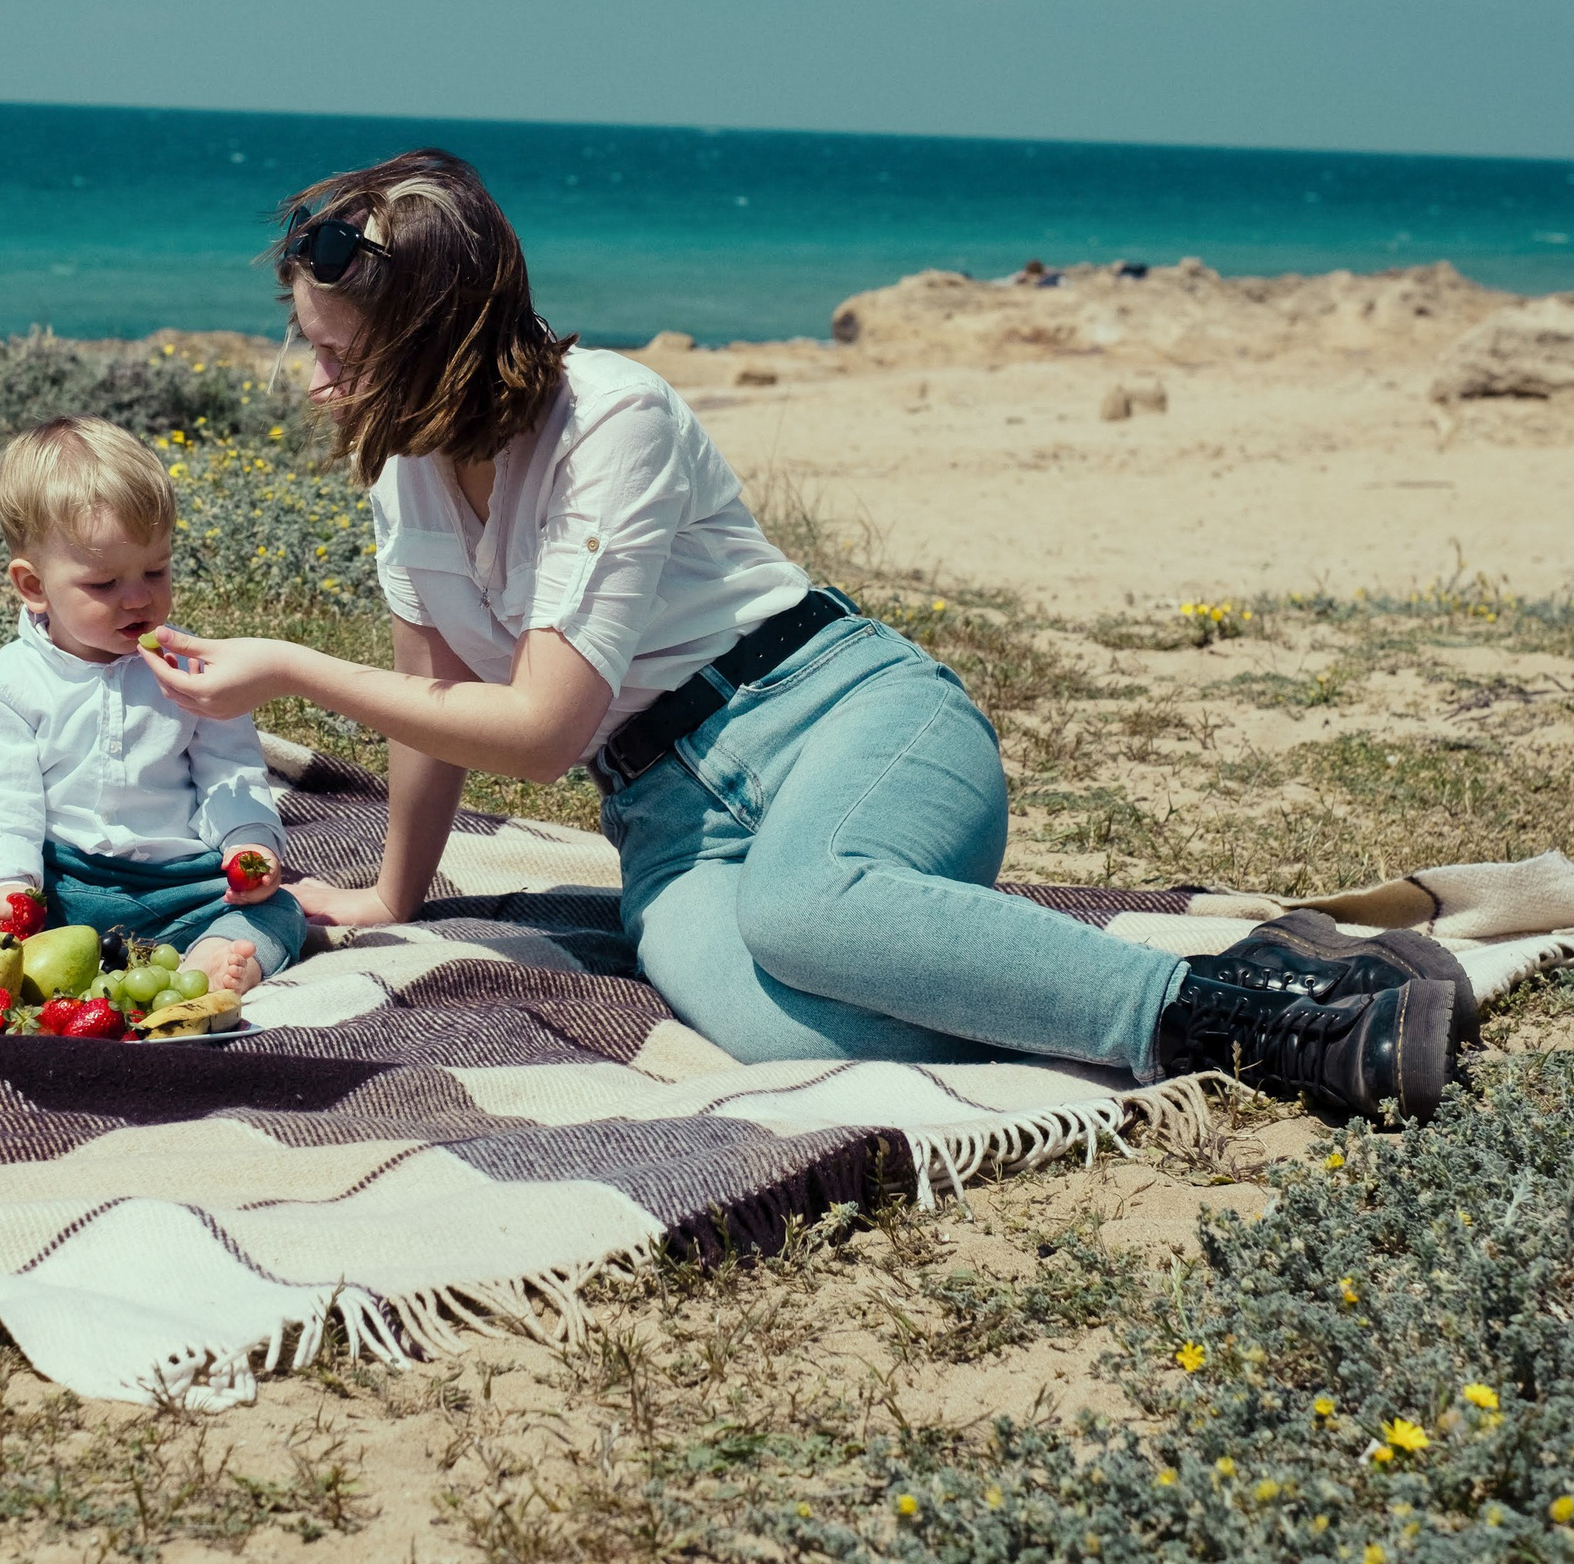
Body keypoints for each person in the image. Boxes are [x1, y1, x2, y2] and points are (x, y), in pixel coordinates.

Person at [140, 150, 1467, 1122]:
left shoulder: (613, 420)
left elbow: (537, 732)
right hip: (665, 815)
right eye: (308, 344)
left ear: (436, 343)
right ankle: (1268, 984)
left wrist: (289, 670)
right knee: (791, 1033)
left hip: (840, 711)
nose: (314, 381)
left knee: (804, 906)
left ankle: (1240, 1017)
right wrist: (395, 892)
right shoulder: (405, 470)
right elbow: (431, 699)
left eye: (342, 354)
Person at [0, 417, 306, 995]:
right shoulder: (9, 684)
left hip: (175, 890)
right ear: (34, 586)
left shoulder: (193, 670)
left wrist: (249, 843)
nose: (139, 596)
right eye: (104, 584)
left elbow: (231, 771)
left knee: (280, 909)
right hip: (52, 883)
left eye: (156, 570)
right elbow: (2, 798)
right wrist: (7, 884)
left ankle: (210, 960)